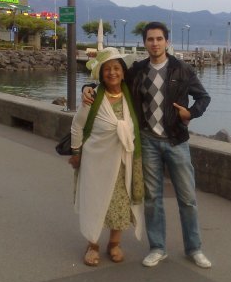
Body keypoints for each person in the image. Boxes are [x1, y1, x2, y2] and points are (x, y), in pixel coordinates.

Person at [83, 22, 212, 268]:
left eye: (159, 39)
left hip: (176, 140)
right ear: (145, 43)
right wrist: (87, 87)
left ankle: (194, 248)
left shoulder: (182, 69)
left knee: (187, 199)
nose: (155, 43)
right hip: (148, 141)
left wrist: (191, 113)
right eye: (150, 39)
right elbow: (112, 80)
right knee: (152, 199)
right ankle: (158, 248)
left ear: (167, 42)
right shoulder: (138, 70)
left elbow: (203, 97)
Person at [69, 47, 144, 266]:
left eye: (116, 68)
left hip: (123, 162)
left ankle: (114, 244)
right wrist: (76, 152)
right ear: (101, 74)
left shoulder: (130, 96)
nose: (112, 73)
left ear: (123, 72)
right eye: (107, 69)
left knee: (120, 204)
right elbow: (77, 126)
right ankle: (92, 245)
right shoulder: (92, 98)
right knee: (94, 201)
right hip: (95, 162)